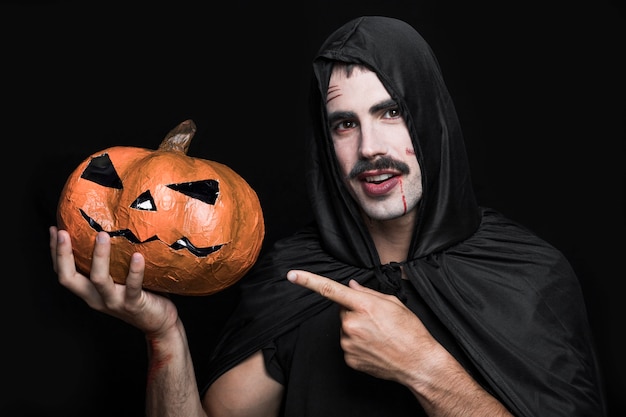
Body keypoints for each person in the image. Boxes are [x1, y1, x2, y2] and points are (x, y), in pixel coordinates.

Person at [50, 16, 607, 417]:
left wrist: (424, 367)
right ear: (326, 144)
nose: (370, 148)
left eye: (391, 112)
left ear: (432, 122)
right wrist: (163, 333)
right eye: (345, 123)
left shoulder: (529, 274)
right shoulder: (294, 277)